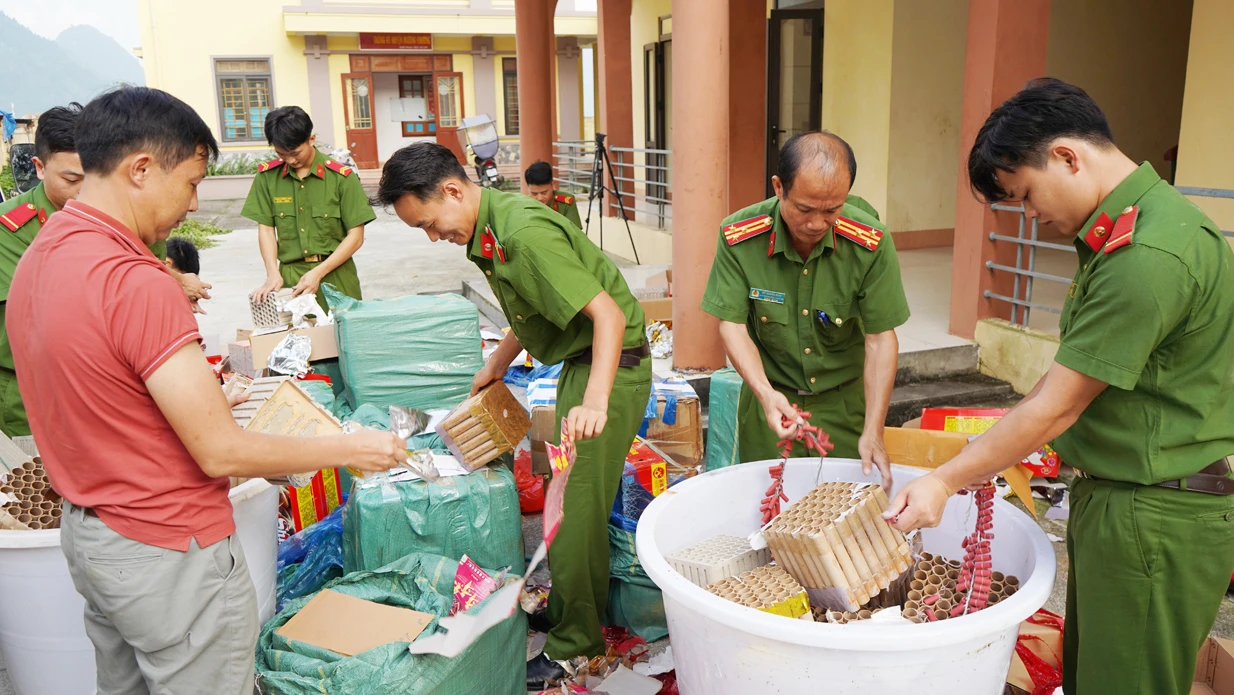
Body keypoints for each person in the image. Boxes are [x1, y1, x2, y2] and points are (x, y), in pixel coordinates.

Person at [6, 87, 406, 695]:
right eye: (191, 183)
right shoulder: (137, 282)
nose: (194, 203)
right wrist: (350, 447)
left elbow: (104, 390)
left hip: (94, 535)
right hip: (168, 550)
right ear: (141, 169)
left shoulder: (43, 252)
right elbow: (220, 451)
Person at [884, 78, 1234, 695]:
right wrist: (991, 448)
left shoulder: (1147, 254)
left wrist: (945, 480)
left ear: (1068, 156)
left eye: (1025, 193)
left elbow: (1056, 407)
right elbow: (1067, 374)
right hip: (1128, 495)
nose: (1030, 215)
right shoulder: (1127, 235)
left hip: (1155, 513)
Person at [377, 142, 652, 689]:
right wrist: (497, 364)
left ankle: (577, 646)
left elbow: (608, 315)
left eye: (429, 224)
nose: (433, 237)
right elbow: (531, 313)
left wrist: (596, 400)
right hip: (584, 366)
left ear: (452, 191)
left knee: (572, 511)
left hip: (609, 368)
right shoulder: (491, 230)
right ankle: (573, 611)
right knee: (565, 500)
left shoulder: (521, 233)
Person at [701, 131, 909, 490]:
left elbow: (880, 338)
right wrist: (765, 395)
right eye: (804, 209)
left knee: (847, 511)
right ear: (779, 187)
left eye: (832, 210)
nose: (816, 224)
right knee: (768, 508)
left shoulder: (869, 243)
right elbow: (732, 326)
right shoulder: (740, 239)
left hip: (846, 407)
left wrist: (874, 429)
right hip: (770, 404)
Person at [244, 105, 374, 313]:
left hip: (336, 277)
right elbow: (266, 229)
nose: (290, 160)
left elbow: (356, 237)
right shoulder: (267, 178)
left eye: (295, 153)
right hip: (291, 280)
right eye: (281, 154)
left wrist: (318, 273)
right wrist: (272, 273)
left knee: (343, 331)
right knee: (297, 333)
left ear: (311, 139)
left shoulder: (342, 178)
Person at [525, 160, 583, 229]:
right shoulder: (524, 206)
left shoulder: (566, 203)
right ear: (528, 188)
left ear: (553, 185)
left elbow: (575, 232)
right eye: (534, 194)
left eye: (544, 193)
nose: (540, 198)